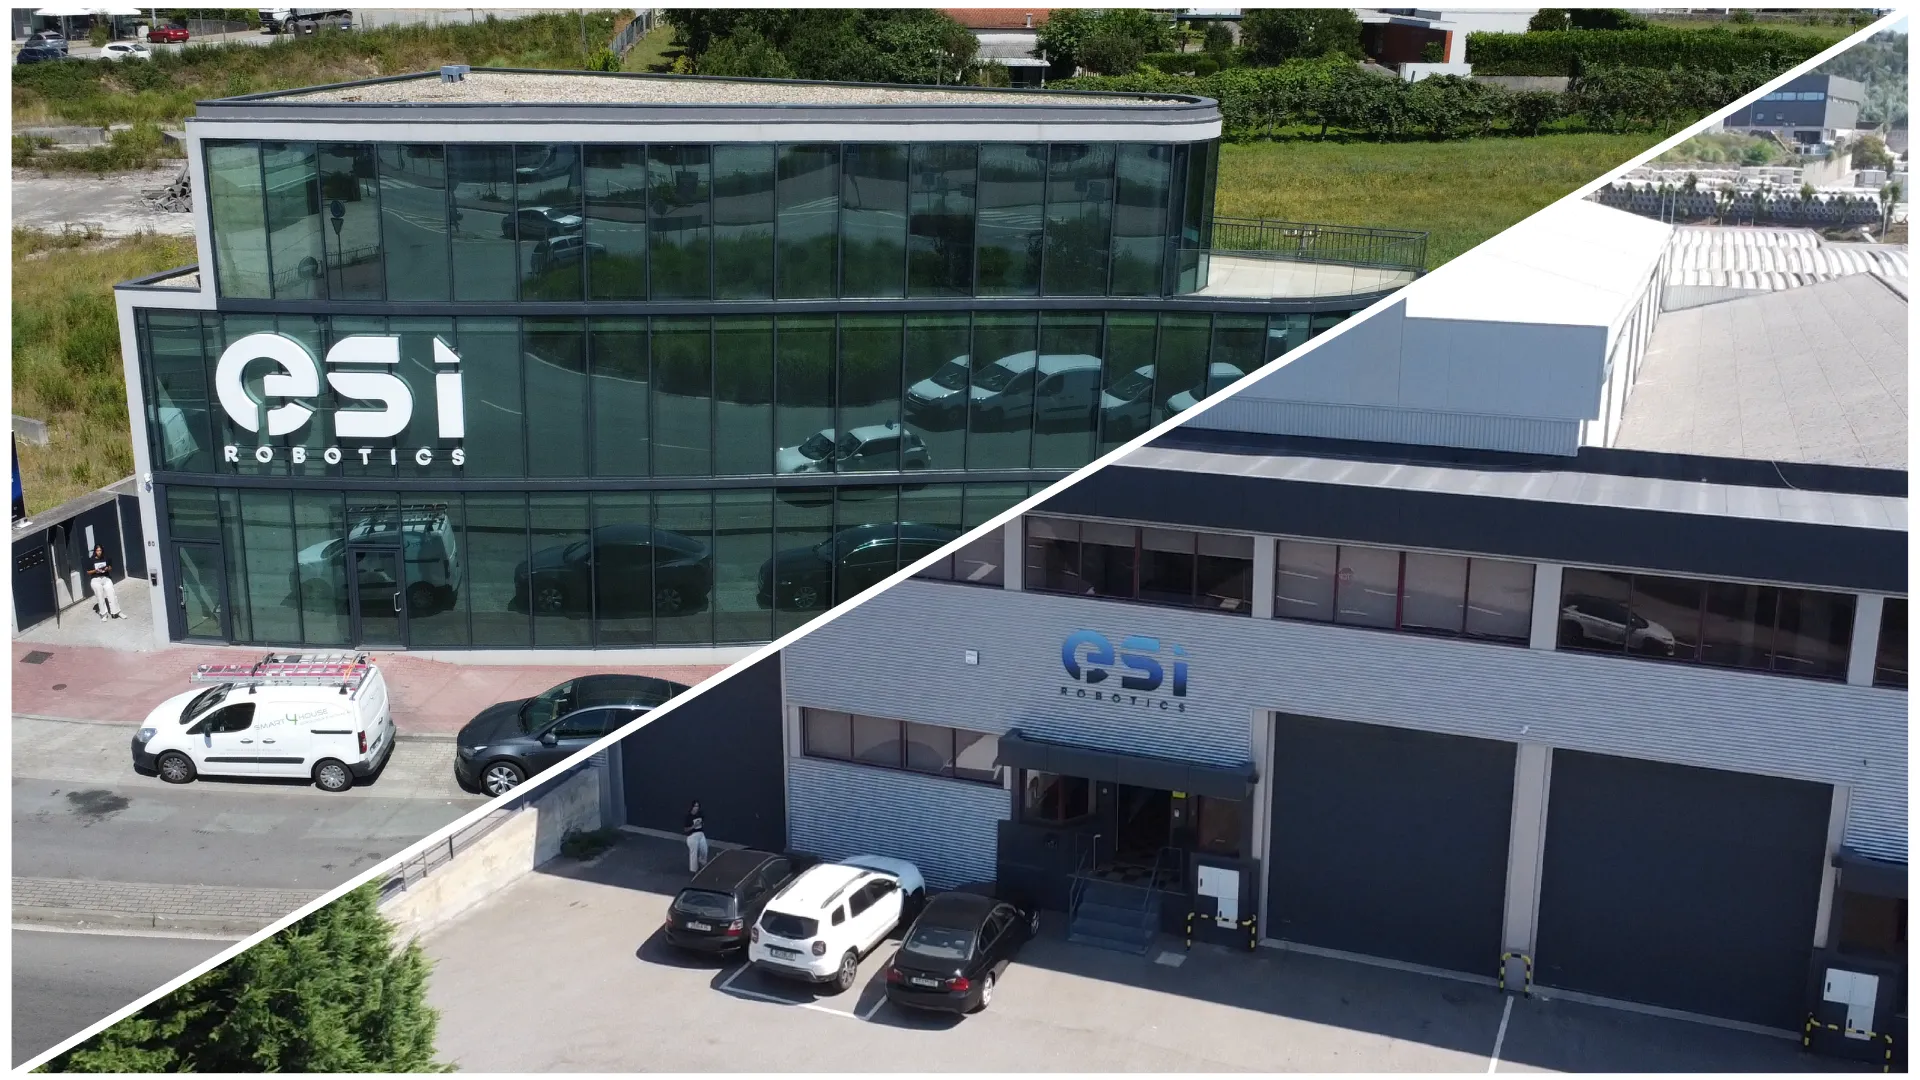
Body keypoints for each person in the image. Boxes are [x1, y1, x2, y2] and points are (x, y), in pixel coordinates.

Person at [86, 545, 123, 620]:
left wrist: (107, 568)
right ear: (95, 551)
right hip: (96, 579)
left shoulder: (106, 558)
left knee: (112, 593)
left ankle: (116, 612)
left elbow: (110, 567)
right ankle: (103, 614)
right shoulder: (91, 560)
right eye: (97, 551)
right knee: (100, 595)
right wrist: (96, 570)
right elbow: (88, 572)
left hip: (105, 578)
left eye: (100, 550)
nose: (99, 552)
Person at [683, 799, 708, 873]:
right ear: (692, 807)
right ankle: (694, 870)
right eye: (695, 806)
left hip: (701, 834)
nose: (696, 808)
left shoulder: (700, 814)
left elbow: (703, 822)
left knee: (704, 850)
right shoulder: (688, 817)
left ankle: (702, 863)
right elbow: (685, 829)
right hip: (692, 837)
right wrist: (693, 826)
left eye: (697, 806)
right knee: (694, 853)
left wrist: (702, 824)